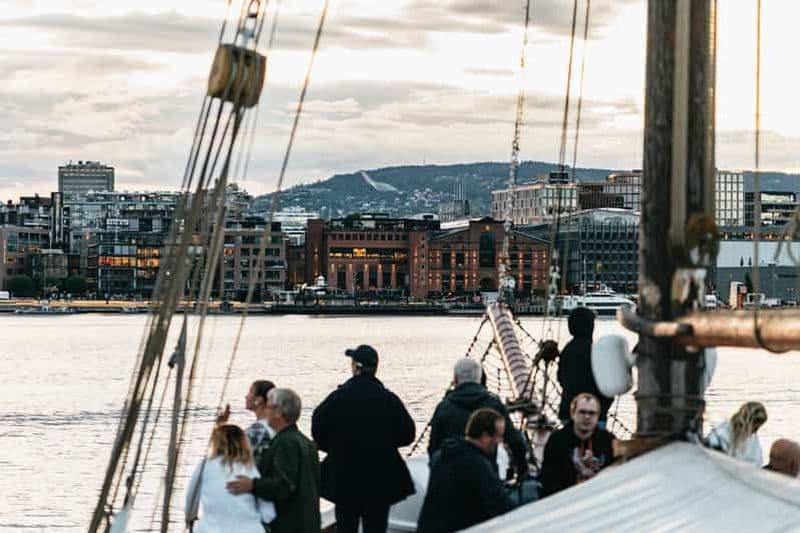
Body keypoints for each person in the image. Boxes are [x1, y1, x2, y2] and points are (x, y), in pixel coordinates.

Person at [311, 344, 416, 533]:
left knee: (346, 526)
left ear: (356, 367)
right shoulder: (388, 399)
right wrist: (385, 444)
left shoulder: (336, 399)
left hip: (344, 477)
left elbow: (317, 429)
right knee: (376, 527)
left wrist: (335, 447)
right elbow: (408, 434)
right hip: (380, 477)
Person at [227, 388, 321, 533]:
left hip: (289, 525)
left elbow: (284, 487)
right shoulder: (306, 442)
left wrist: (252, 485)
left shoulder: (285, 443)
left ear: (279, 412)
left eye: (268, 407)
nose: (265, 411)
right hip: (308, 522)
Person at [416, 408, 515, 532]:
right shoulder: (476, 464)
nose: (500, 441)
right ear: (485, 436)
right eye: (498, 436)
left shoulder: (442, 455)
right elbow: (499, 502)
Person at [428, 358, 527, 477]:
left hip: (453, 476)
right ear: (480, 378)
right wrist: (522, 471)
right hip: (487, 474)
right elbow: (514, 440)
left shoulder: (444, 407)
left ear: (455, 379)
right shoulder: (493, 405)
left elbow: (433, 447)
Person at [184, 424, 275, 533]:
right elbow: (268, 513)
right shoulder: (250, 469)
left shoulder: (204, 466)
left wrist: (190, 518)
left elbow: (192, 497)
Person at [539, 392, 615, 497]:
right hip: (565, 496)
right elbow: (548, 477)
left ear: (598, 416)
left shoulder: (607, 440)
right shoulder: (558, 440)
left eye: (592, 413)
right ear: (573, 414)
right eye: (582, 412)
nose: (587, 417)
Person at [557, 307, 613, 424]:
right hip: (594, 414)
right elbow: (608, 386)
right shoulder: (598, 351)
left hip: (568, 411)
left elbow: (561, 378)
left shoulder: (567, 350)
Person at [707, 401, 768, 467]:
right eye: (755, 427)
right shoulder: (720, 434)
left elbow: (757, 460)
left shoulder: (752, 437)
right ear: (748, 422)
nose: (755, 431)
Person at [244, 379, 276, 461]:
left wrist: (220, 424)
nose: (246, 396)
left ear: (259, 399)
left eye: (250, 392)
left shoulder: (256, 430)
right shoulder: (278, 426)